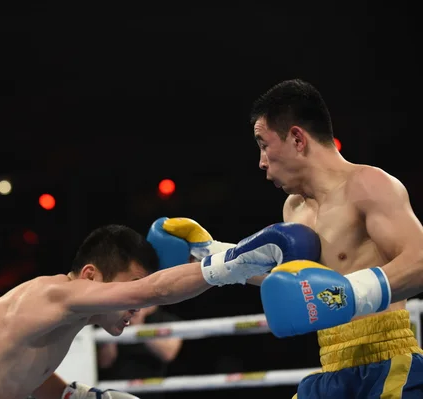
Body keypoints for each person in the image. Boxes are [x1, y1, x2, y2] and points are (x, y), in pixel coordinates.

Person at [148, 79, 423, 398]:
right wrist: (216, 251)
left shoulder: (368, 185)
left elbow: (419, 261)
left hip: (388, 363)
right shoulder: (294, 208)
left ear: (296, 138)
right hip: (331, 368)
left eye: (264, 144)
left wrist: (347, 293)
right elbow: (297, 283)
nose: (261, 162)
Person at [0, 214, 321, 398]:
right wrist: (230, 263)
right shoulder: (54, 295)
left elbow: (22, 370)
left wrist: (75, 396)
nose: (135, 305)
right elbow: (153, 293)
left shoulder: (58, 316)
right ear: (90, 276)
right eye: (131, 284)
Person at [97, 305, 183, 399]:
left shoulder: (166, 320)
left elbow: (168, 354)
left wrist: (139, 327)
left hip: (150, 392)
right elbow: (104, 363)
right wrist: (111, 331)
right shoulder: (118, 319)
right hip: (115, 390)